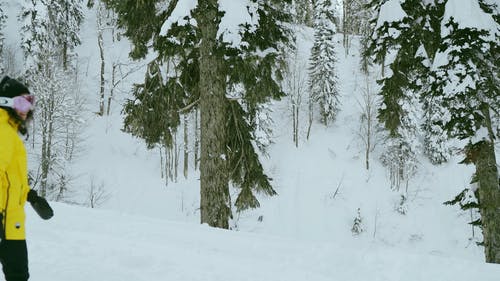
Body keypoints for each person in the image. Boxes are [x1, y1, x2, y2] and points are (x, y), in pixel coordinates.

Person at [0, 76, 53, 281]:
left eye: (29, 102)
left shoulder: (10, 133)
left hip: (11, 219)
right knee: (18, 275)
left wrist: (31, 196)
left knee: (18, 274)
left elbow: (10, 177)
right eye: (21, 102)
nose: (26, 109)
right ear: (6, 102)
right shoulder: (3, 131)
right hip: (5, 220)